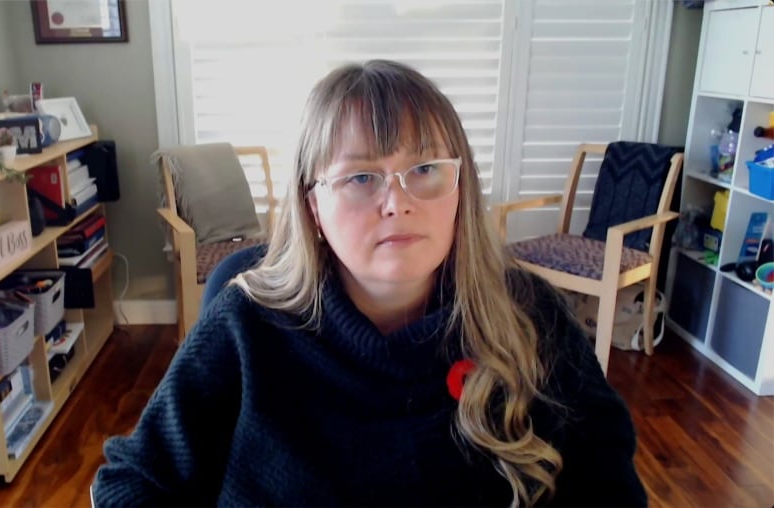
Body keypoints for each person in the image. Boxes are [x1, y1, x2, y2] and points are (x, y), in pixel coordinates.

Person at [92, 60, 647, 507]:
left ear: (460, 187)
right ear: (313, 207)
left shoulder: (531, 315)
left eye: (425, 170)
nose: (397, 203)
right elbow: (134, 481)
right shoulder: (245, 324)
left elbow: (605, 471)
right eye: (360, 177)